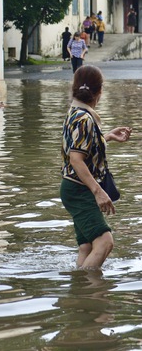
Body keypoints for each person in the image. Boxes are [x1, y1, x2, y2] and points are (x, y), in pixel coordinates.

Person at [60, 65, 132, 271]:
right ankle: (84, 289)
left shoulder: (76, 112)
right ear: (99, 92)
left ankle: (85, 297)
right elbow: (76, 159)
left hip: (72, 188)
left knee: (87, 246)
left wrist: (106, 136)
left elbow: (79, 148)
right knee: (105, 242)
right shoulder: (85, 119)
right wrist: (98, 192)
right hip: (79, 189)